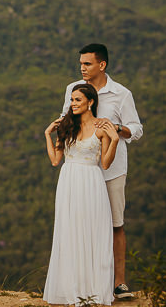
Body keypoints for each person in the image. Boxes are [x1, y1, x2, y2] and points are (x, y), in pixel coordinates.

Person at [61, 44, 143, 300]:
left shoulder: (121, 94)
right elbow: (67, 118)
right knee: (81, 225)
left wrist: (116, 128)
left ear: (102, 65)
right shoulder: (72, 89)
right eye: (81, 64)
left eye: (87, 64)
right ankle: (83, 283)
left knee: (115, 224)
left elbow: (136, 129)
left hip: (112, 170)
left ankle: (118, 284)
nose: (82, 68)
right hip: (83, 171)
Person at [44, 83, 120, 306]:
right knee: (70, 231)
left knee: (92, 232)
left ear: (91, 102)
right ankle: (72, 289)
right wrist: (47, 134)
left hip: (92, 182)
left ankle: (93, 291)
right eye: (72, 100)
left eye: (77, 100)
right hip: (69, 182)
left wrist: (114, 139)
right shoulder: (66, 126)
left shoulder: (101, 128)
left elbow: (105, 164)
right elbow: (55, 160)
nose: (73, 104)